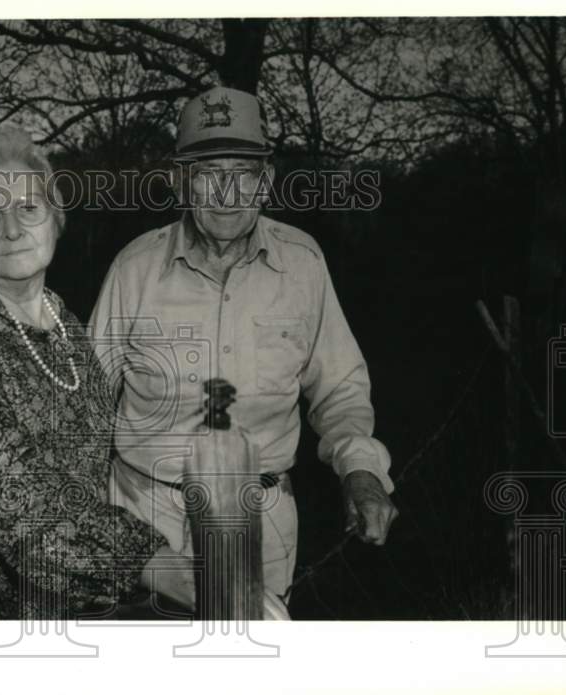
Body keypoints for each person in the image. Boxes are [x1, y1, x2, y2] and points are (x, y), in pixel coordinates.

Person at [88, 86, 400, 604]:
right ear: (181, 181)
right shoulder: (134, 268)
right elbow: (86, 403)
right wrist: (87, 529)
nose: (226, 192)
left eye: (244, 172)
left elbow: (340, 389)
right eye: (209, 172)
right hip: (146, 522)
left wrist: (361, 470)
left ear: (266, 181)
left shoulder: (303, 264)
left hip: (263, 522)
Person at [0, 128, 194, 619]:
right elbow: (15, 492)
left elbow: (97, 464)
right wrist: (151, 562)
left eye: (28, 208)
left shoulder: (66, 323)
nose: (12, 230)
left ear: (55, 218)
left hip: (72, 603)